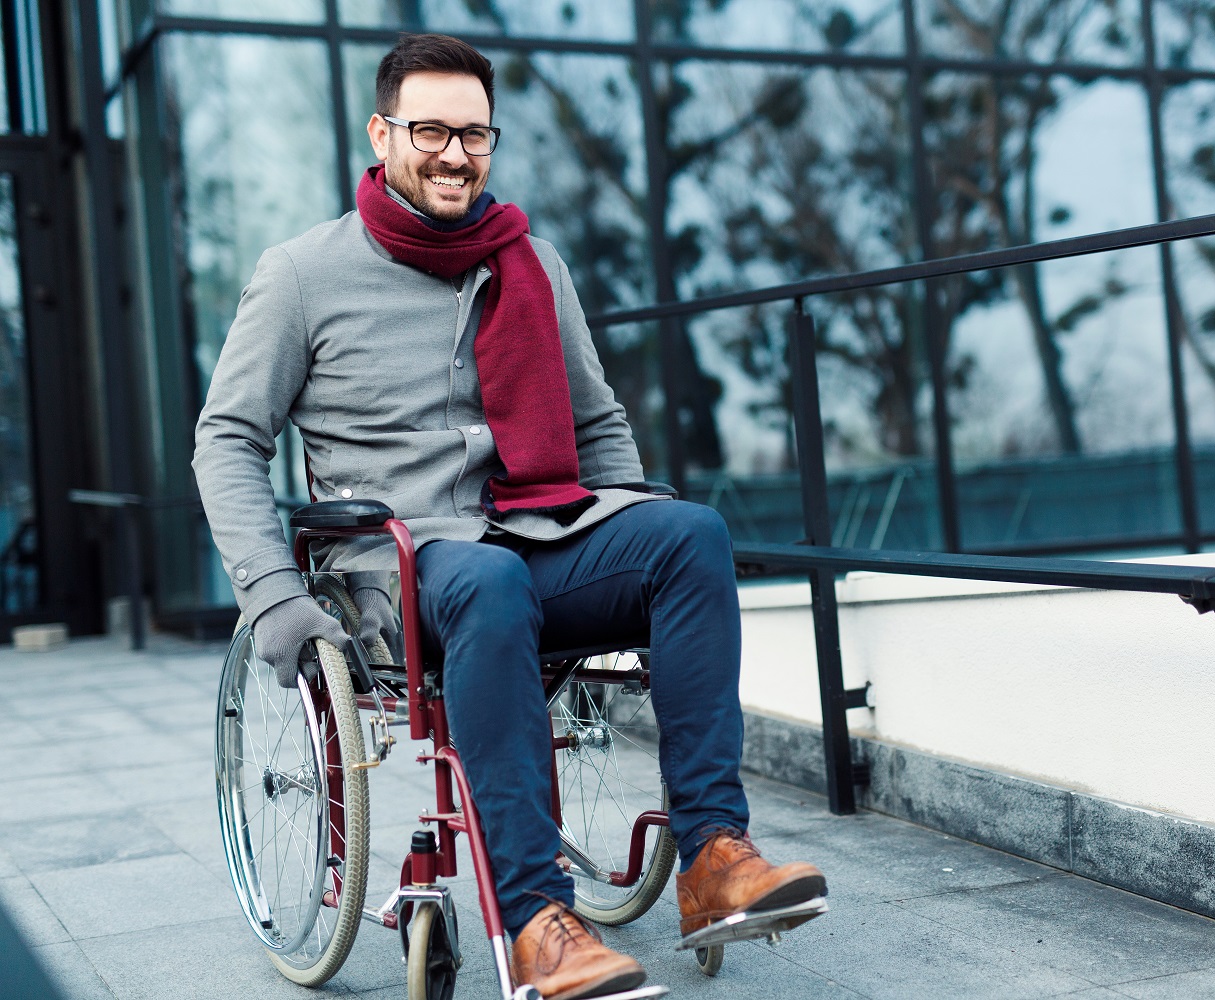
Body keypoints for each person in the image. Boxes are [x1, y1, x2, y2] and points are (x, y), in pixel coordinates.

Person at [192, 32, 826, 1000]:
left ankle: (713, 855)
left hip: (534, 536)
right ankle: (536, 916)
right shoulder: (300, 274)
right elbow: (227, 437)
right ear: (383, 131)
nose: (455, 153)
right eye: (432, 130)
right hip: (392, 567)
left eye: (475, 134)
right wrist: (271, 591)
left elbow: (596, 420)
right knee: (483, 579)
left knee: (689, 531)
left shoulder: (528, 258)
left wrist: (626, 517)